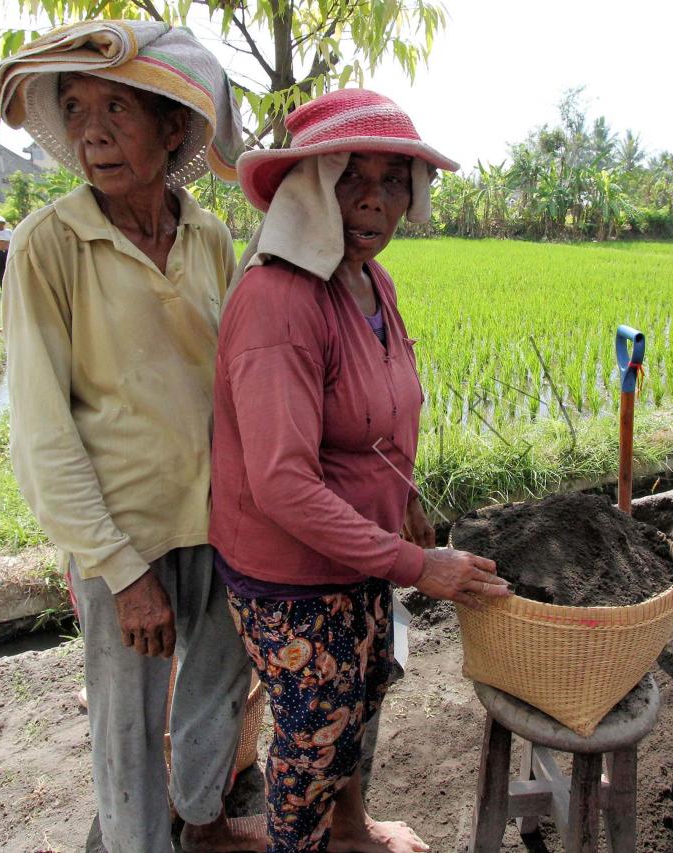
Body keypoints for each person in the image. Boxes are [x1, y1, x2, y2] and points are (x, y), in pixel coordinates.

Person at [0, 21, 260, 853]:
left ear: (173, 126)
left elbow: (234, 383)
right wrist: (122, 572)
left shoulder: (206, 234)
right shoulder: (48, 244)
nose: (91, 131)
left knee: (218, 684)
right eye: (75, 109)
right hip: (124, 538)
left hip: (220, 522)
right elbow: (41, 426)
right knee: (127, 724)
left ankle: (201, 823)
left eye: (115, 108)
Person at [211, 88, 513, 853]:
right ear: (307, 186)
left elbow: (388, 410)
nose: (376, 202)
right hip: (292, 579)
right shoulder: (278, 300)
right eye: (352, 178)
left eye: (393, 179)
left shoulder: (373, 282)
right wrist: (418, 564)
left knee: (361, 697)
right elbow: (283, 482)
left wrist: (405, 501)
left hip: (359, 555)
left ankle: (350, 831)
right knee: (310, 747)